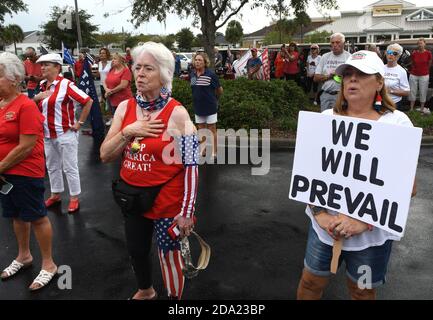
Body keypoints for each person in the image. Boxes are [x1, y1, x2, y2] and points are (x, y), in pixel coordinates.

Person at [297, 50, 417, 300]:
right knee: (310, 283)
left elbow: (408, 187)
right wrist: (320, 216)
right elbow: (309, 175)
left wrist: (364, 222)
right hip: (324, 232)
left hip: (371, 237)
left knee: (361, 292)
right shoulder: (326, 119)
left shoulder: (397, 124)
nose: (352, 80)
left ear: (380, 81)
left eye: (361, 75)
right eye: (347, 75)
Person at [100, 41, 199, 300]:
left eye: (148, 69)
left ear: (164, 74)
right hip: (132, 197)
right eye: (137, 67)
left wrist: (187, 212)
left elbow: (191, 166)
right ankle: (146, 290)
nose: (140, 74)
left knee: (168, 256)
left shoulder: (177, 113)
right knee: (136, 250)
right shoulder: (125, 108)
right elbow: (104, 154)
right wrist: (127, 132)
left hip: (167, 201)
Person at [0, 52, 57, 290]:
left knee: (36, 216)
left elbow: (26, 146)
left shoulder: (26, 106)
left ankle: (49, 264)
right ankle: (24, 256)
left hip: (25, 172)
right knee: (15, 215)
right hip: (5, 175)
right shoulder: (1, 105)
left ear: (13, 79)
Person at [33, 53, 93, 213]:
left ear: (57, 67)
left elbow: (87, 101)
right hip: (47, 134)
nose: (43, 67)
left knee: (69, 167)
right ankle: (55, 194)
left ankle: (74, 197)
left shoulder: (66, 84)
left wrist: (79, 123)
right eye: (42, 65)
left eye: (46, 64)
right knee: (52, 166)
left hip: (65, 133)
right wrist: (37, 98)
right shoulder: (43, 85)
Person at [190, 52, 223, 159]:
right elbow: (194, 89)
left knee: (212, 129)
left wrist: (215, 99)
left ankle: (214, 152)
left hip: (210, 106)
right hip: (198, 107)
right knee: (201, 130)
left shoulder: (211, 75)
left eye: (200, 60)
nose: (197, 62)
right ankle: (202, 150)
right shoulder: (193, 75)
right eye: (196, 60)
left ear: (205, 63)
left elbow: (219, 90)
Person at [314, 33, 351, 112]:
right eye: (332, 43)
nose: (334, 45)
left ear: (343, 43)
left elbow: (354, 79)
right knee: (324, 120)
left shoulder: (349, 57)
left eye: (337, 42)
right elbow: (315, 78)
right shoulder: (325, 56)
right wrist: (329, 76)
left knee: (338, 119)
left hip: (341, 95)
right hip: (325, 94)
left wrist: (341, 75)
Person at [103, 53, 133, 126]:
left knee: (123, 120)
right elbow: (105, 81)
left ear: (121, 60)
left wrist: (110, 92)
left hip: (123, 100)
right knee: (115, 118)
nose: (112, 60)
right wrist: (106, 89)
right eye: (112, 59)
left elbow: (123, 85)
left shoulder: (126, 71)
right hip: (112, 99)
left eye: (115, 59)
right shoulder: (112, 69)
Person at [408, 38, 432, 114]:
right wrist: (414, 69)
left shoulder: (428, 53)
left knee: (423, 91)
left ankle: (422, 108)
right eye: (418, 43)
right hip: (414, 74)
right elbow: (412, 63)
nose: (420, 45)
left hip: (424, 75)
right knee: (412, 91)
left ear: (425, 44)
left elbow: (430, 63)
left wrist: (425, 70)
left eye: (421, 43)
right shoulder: (414, 53)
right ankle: (411, 108)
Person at [384, 43, 410, 111]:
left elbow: (406, 92)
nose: (391, 55)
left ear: (399, 56)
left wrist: (391, 91)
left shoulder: (401, 71)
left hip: (394, 103)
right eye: (389, 52)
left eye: (395, 53)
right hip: (380, 102)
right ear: (386, 53)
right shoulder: (380, 68)